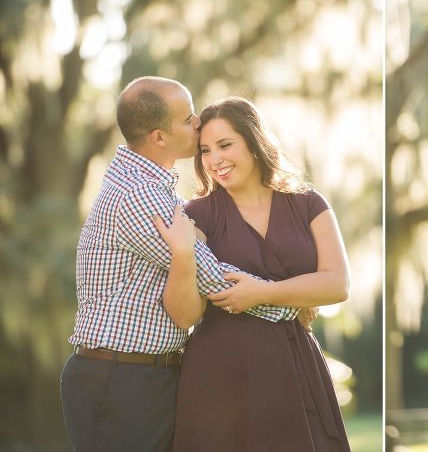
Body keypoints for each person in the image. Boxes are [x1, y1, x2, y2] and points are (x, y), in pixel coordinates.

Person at [60, 77, 302, 452]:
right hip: (119, 379)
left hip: (141, 375)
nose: (198, 123)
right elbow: (214, 280)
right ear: (159, 136)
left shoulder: (151, 186)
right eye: (189, 119)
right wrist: (288, 302)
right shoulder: (139, 195)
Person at [157, 97, 352, 452]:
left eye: (225, 145)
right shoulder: (197, 214)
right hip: (221, 371)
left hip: (295, 365)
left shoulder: (309, 204)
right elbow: (185, 313)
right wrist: (182, 255)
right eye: (205, 150)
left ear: (254, 142)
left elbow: (337, 284)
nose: (215, 159)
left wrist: (261, 293)